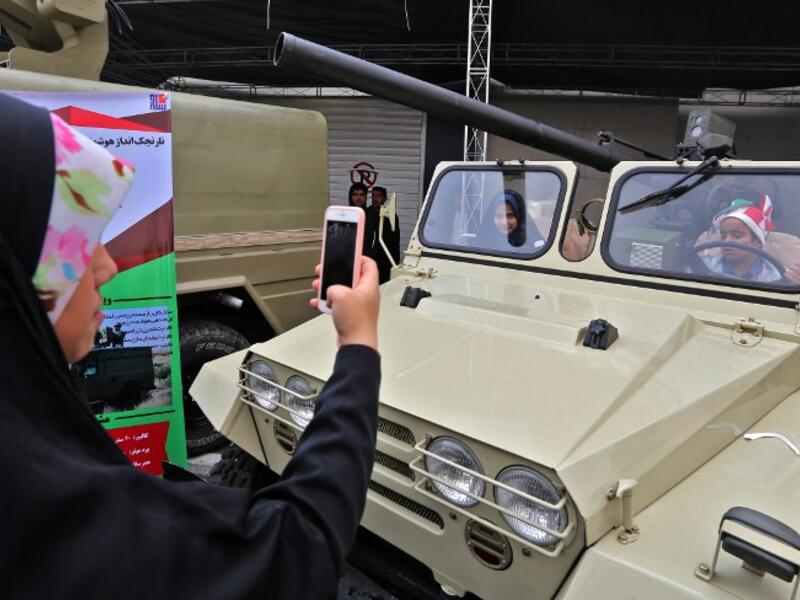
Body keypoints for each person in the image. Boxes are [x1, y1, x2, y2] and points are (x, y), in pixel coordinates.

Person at [1, 93, 381, 599]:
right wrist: (358, 344)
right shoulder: (54, 514)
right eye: (77, 241)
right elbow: (296, 545)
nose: (107, 266)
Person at [701, 196, 782, 283]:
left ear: (757, 242)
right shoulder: (703, 266)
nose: (727, 241)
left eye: (737, 235)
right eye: (723, 235)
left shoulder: (776, 277)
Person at [479, 189, 544, 252]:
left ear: (520, 217)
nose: (504, 222)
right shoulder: (483, 241)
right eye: (499, 216)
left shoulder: (534, 244)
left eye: (510, 216)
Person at [368, 186, 400, 283]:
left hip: (386, 260)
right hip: (371, 259)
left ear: (385, 198)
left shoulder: (392, 216)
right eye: (373, 196)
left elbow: (395, 239)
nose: (375, 199)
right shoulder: (366, 214)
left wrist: (395, 261)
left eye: (378, 196)